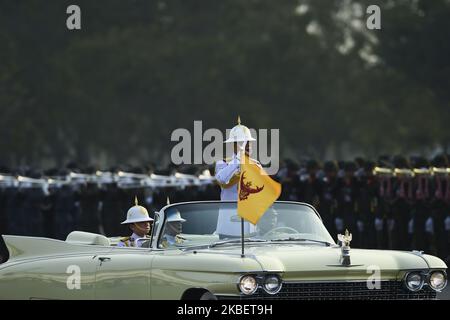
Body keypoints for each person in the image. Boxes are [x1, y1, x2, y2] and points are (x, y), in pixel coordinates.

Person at [214, 117, 259, 239]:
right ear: (233, 146)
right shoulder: (222, 162)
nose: (248, 145)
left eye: (249, 142)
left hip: (249, 223)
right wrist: (237, 161)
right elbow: (222, 179)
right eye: (243, 142)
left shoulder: (255, 164)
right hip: (228, 222)